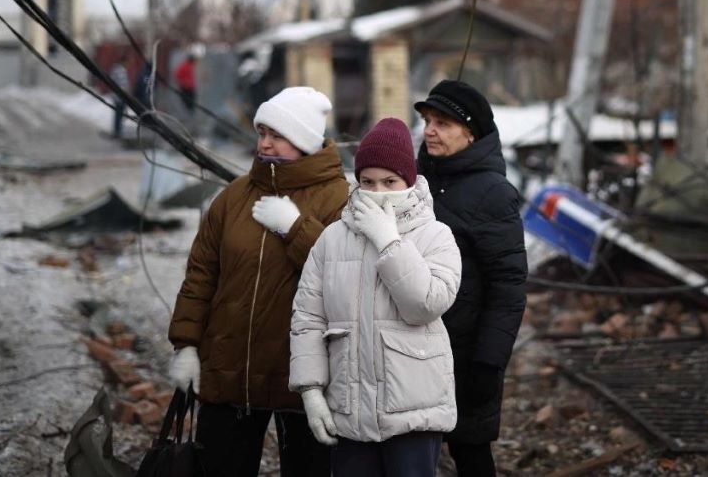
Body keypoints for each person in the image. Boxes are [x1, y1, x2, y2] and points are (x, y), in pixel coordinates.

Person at [167, 86, 348, 477]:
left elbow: (344, 277)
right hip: (231, 372)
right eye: (261, 132)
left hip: (304, 380)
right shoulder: (233, 198)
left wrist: (296, 228)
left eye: (277, 135)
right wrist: (186, 345)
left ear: (303, 140)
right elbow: (201, 274)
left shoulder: (339, 200)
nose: (264, 143)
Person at [290, 117, 462, 477]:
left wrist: (390, 241)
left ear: (409, 181)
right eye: (367, 182)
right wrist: (311, 391)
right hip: (350, 411)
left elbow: (425, 305)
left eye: (389, 182)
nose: (377, 192)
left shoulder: (436, 236)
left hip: (413, 414)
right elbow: (307, 318)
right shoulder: (332, 239)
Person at [413, 80, 528, 476]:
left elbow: (508, 288)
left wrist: (488, 362)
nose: (429, 130)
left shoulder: (493, 193)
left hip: (467, 353)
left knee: (470, 452)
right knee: (409, 451)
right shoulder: (413, 182)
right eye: (428, 120)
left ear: (471, 133)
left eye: (443, 123)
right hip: (412, 346)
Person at [109, 57, 129, 139]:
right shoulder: (120, 71)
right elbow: (121, 85)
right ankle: (117, 131)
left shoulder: (117, 70)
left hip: (119, 96)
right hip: (119, 97)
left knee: (119, 114)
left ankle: (118, 130)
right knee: (119, 114)